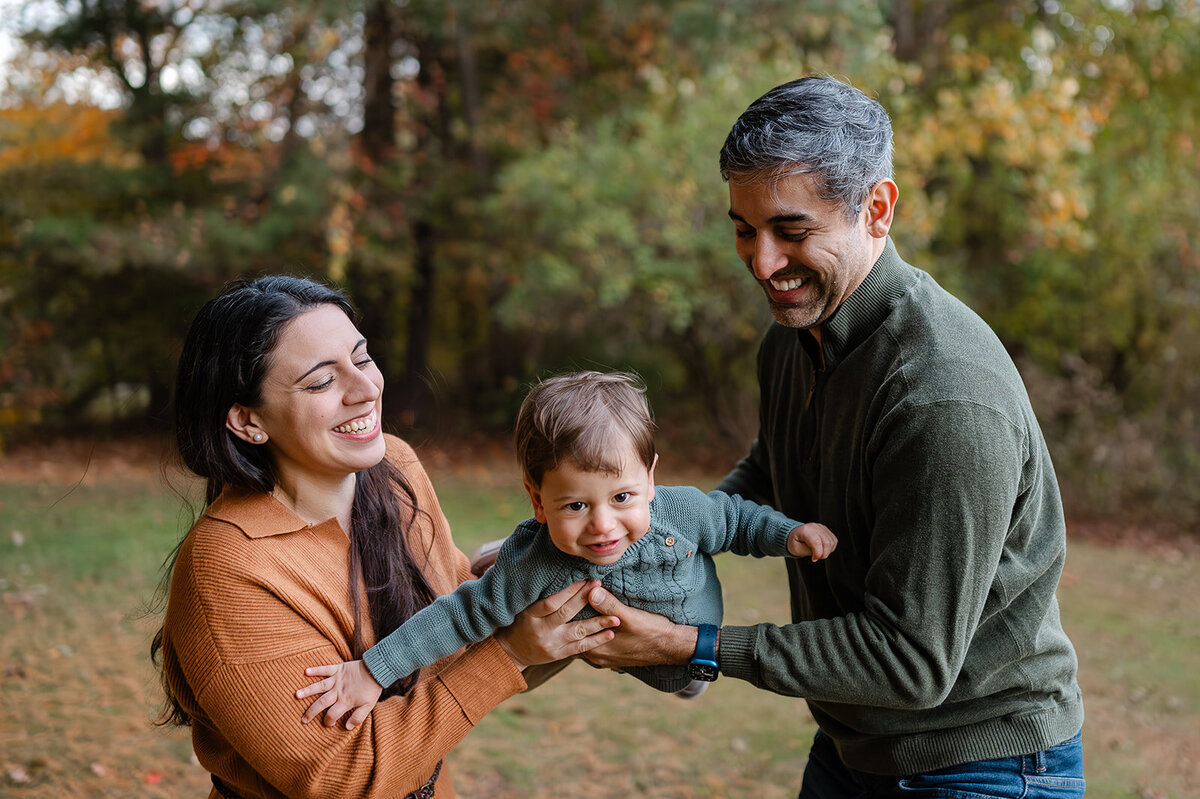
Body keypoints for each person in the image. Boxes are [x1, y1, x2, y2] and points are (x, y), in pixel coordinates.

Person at [579, 76, 1086, 796]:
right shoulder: (794, 339)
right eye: (744, 229)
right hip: (855, 746)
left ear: (876, 210)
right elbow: (775, 470)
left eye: (792, 231)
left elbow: (912, 659)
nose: (762, 263)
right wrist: (639, 534)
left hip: (985, 765)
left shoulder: (944, 394)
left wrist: (693, 646)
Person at [151, 276, 620, 799]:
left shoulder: (394, 467)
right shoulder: (228, 571)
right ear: (248, 420)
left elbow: (448, 622)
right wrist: (511, 654)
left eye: (362, 357)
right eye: (321, 382)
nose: (365, 388)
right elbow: (341, 776)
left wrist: (527, 570)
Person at [295, 370, 837, 726]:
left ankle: (687, 682)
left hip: (684, 650)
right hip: (585, 622)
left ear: (650, 480)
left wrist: (789, 535)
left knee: (687, 675)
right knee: (512, 596)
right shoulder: (547, 563)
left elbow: (739, 521)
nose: (604, 525)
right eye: (575, 505)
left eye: (623, 497)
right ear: (537, 498)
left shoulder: (683, 512)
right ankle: (509, 554)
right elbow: (458, 616)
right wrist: (373, 670)